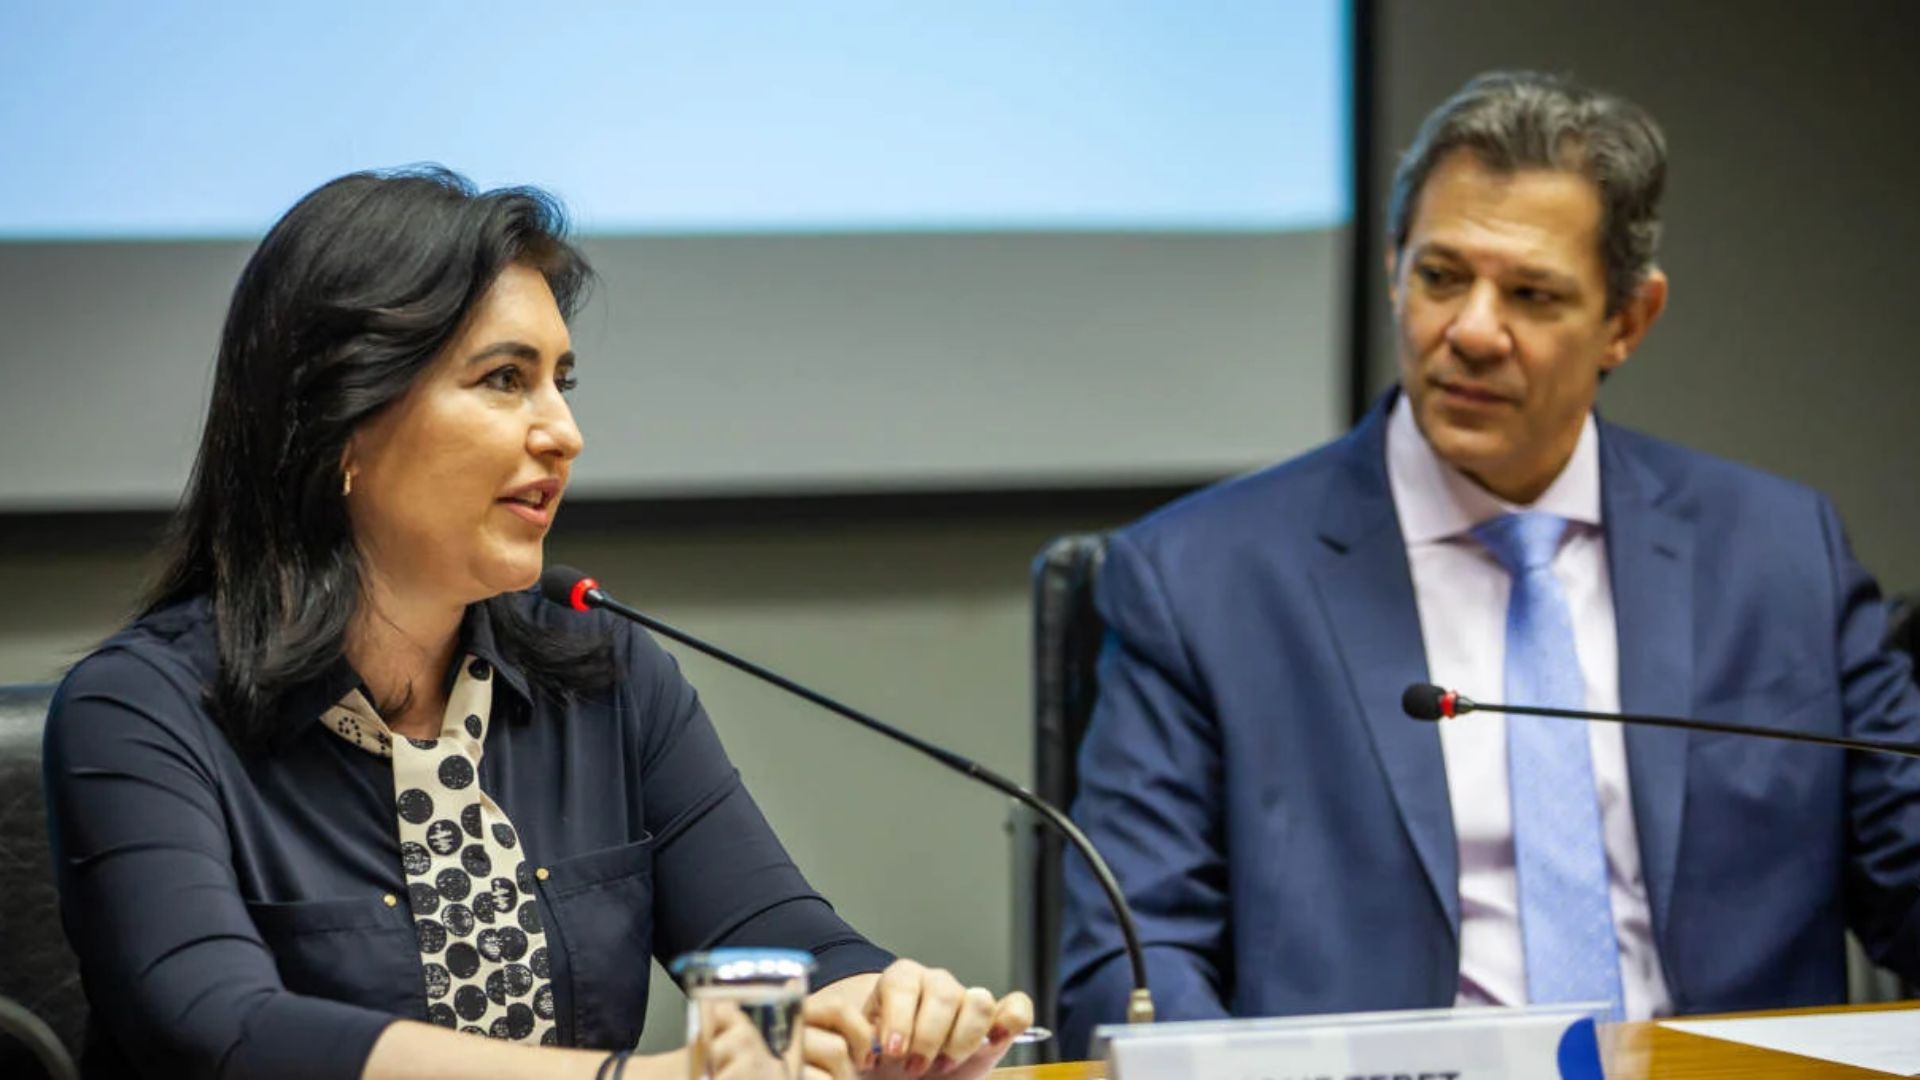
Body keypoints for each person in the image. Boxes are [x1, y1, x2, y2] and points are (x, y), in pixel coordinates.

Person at [42, 168, 1031, 1080]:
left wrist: (888, 1007)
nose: (564, 431)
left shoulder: (601, 673)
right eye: (505, 379)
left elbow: (775, 937)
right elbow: (224, 1028)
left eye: (562, 380)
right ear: (341, 422)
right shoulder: (141, 712)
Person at [1057, 70, 1920, 1053]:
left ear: (1629, 321)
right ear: (1392, 269)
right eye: (1440, 276)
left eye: (1532, 294)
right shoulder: (1201, 581)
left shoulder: (1775, 555)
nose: (1469, 330)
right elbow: (1130, 960)